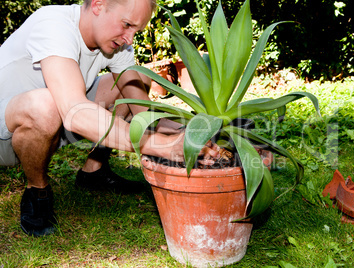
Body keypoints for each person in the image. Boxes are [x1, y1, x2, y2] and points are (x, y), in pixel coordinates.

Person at [0, 0, 218, 237]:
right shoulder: (53, 24)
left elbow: (142, 113)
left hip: (59, 120)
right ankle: (37, 191)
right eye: (127, 25)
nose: (129, 39)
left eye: (136, 31)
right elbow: (75, 112)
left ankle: (93, 171)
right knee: (46, 105)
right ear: (98, 5)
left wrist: (191, 132)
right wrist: (159, 146)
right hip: (8, 135)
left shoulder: (117, 44)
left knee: (137, 80)